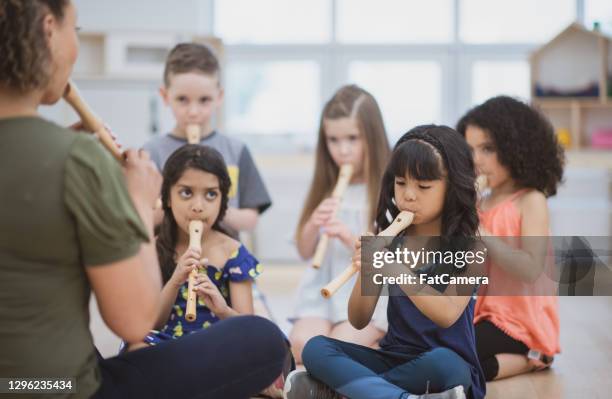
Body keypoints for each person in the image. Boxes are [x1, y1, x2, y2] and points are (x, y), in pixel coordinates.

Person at [0, 1, 287, 398]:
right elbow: (134, 322)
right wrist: (136, 201)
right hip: (56, 387)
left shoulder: (68, 153)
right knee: (264, 340)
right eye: (76, 31)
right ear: (49, 31)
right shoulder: (76, 158)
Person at [285, 125, 486, 399]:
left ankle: (344, 391)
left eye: (423, 186)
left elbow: (446, 313)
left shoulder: (471, 247)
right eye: (401, 183)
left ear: (451, 187)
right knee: (315, 348)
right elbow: (358, 319)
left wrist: (393, 266)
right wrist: (367, 271)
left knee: (444, 364)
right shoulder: (392, 239)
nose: (409, 195)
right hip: (394, 358)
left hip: (446, 365)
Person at [457, 95, 564, 381]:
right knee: (445, 350)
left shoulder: (531, 201)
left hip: (519, 320)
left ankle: (535, 354)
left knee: (459, 351)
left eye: (488, 149)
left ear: (517, 149)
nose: (476, 161)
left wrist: (482, 233)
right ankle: (518, 361)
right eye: (470, 151)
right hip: (479, 313)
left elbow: (530, 269)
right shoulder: (480, 202)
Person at [289, 85, 391, 364]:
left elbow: (390, 257)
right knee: (301, 345)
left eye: (352, 139)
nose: (342, 150)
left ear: (372, 136)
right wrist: (313, 223)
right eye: (333, 140)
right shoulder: (326, 184)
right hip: (322, 290)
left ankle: (377, 350)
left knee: (335, 348)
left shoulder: (391, 187)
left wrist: (349, 238)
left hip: (368, 293)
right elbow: (304, 250)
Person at [142, 42, 271, 239]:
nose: (193, 112)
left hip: (224, 260)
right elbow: (140, 220)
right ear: (165, 96)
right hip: (169, 262)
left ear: (219, 97)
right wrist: (177, 204)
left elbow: (250, 219)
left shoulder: (236, 150)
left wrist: (213, 205)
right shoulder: (151, 152)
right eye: (182, 99)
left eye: (204, 100)